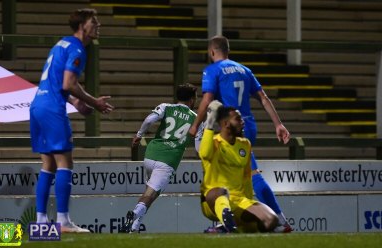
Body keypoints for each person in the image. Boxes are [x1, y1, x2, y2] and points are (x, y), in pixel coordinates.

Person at [189, 35, 292, 232]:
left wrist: (195, 125)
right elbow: (263, 97)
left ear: (212, 52)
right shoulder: (244, 69)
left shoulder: (213, 70)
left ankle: (280, 219)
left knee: (250, 174)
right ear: (228, 51)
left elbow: (207, 99)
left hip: (231, 127)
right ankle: (226, 220)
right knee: (228, 172)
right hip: (247, 124)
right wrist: (278, 124)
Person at [29, 8, 114, 233]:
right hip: (52, 109)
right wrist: (94, 102)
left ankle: (41, 221)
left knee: (48, 164)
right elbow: (68, 83)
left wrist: (76, 104)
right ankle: (64, 221)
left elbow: (58, 81)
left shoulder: (61, 43)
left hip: (38, 104)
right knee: (66, 162)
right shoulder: (77, 48)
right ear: (81, 26)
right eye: (93, 21)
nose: (98, 24)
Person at [119, 83, 198, 233]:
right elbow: (200, 147)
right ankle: (133, 214)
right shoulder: (195, 118)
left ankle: (133, 229)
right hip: (168, 159)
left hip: (151, 154)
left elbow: (149, 120)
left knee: (149, 193)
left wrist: (139, 135)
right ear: (192, 100)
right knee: (150, 195)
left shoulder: (166, 106)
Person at [200, 101, 278, 233]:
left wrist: (250, 202)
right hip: (212, 201)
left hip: (240, 201)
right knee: (221, 191)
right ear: (225, 124)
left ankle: (225, 228)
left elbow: (246, 176)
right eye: (238, 119)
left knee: (271, 220)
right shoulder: (214, 142)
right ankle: (228, 226)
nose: (242, 122)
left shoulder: (245, 144)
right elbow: (205, 154)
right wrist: (209, 122)